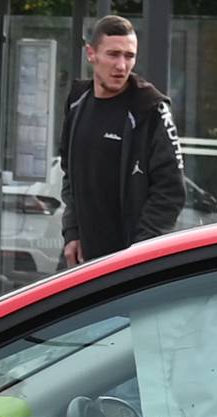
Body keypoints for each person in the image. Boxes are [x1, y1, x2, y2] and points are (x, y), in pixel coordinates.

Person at [59, 15, 185, 268]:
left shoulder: (150, 108)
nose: (121, 65)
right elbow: (70, 175)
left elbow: (170, 191)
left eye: (129, 56)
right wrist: (72, 233)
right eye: (113, 54)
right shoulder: (77, 101)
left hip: (130, 264)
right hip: (82, 261)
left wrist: (138, 254)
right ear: (91, 53)